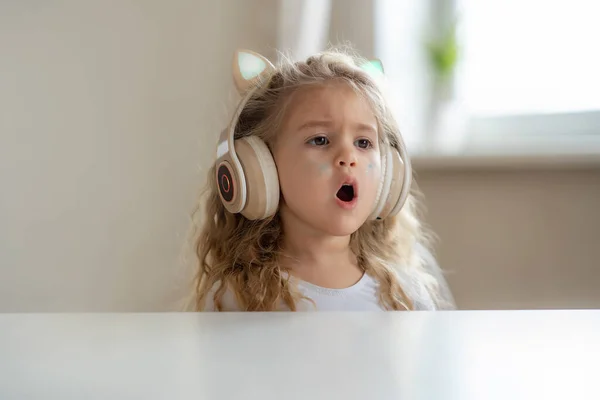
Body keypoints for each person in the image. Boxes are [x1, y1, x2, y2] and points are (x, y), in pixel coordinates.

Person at [189, 46, 455, 311]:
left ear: (389, 175)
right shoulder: (237, 299)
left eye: (363, 142)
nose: (348, 157)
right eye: (320, 140)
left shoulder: (406, 296)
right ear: (258, 167)